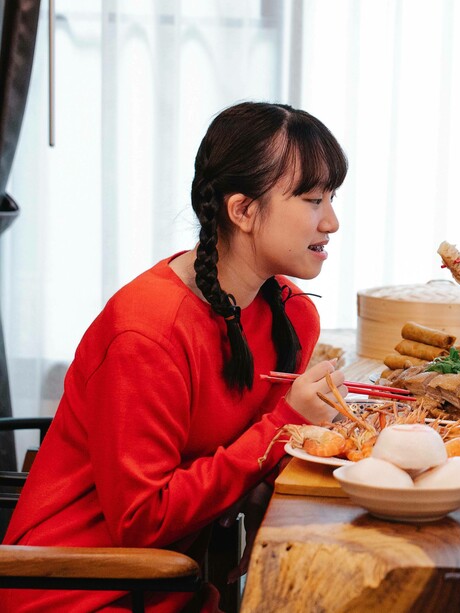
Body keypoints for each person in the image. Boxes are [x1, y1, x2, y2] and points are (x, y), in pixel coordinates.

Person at [1, 101, 349, 612]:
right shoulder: (148, 332)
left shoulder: (292, 315)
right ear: (243, 210)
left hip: (175, 582)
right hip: (79, 587)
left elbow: (262, 461)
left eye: (333, 198)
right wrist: (285, 423)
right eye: (314, 199)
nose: (333, 222)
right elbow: (142, 520)